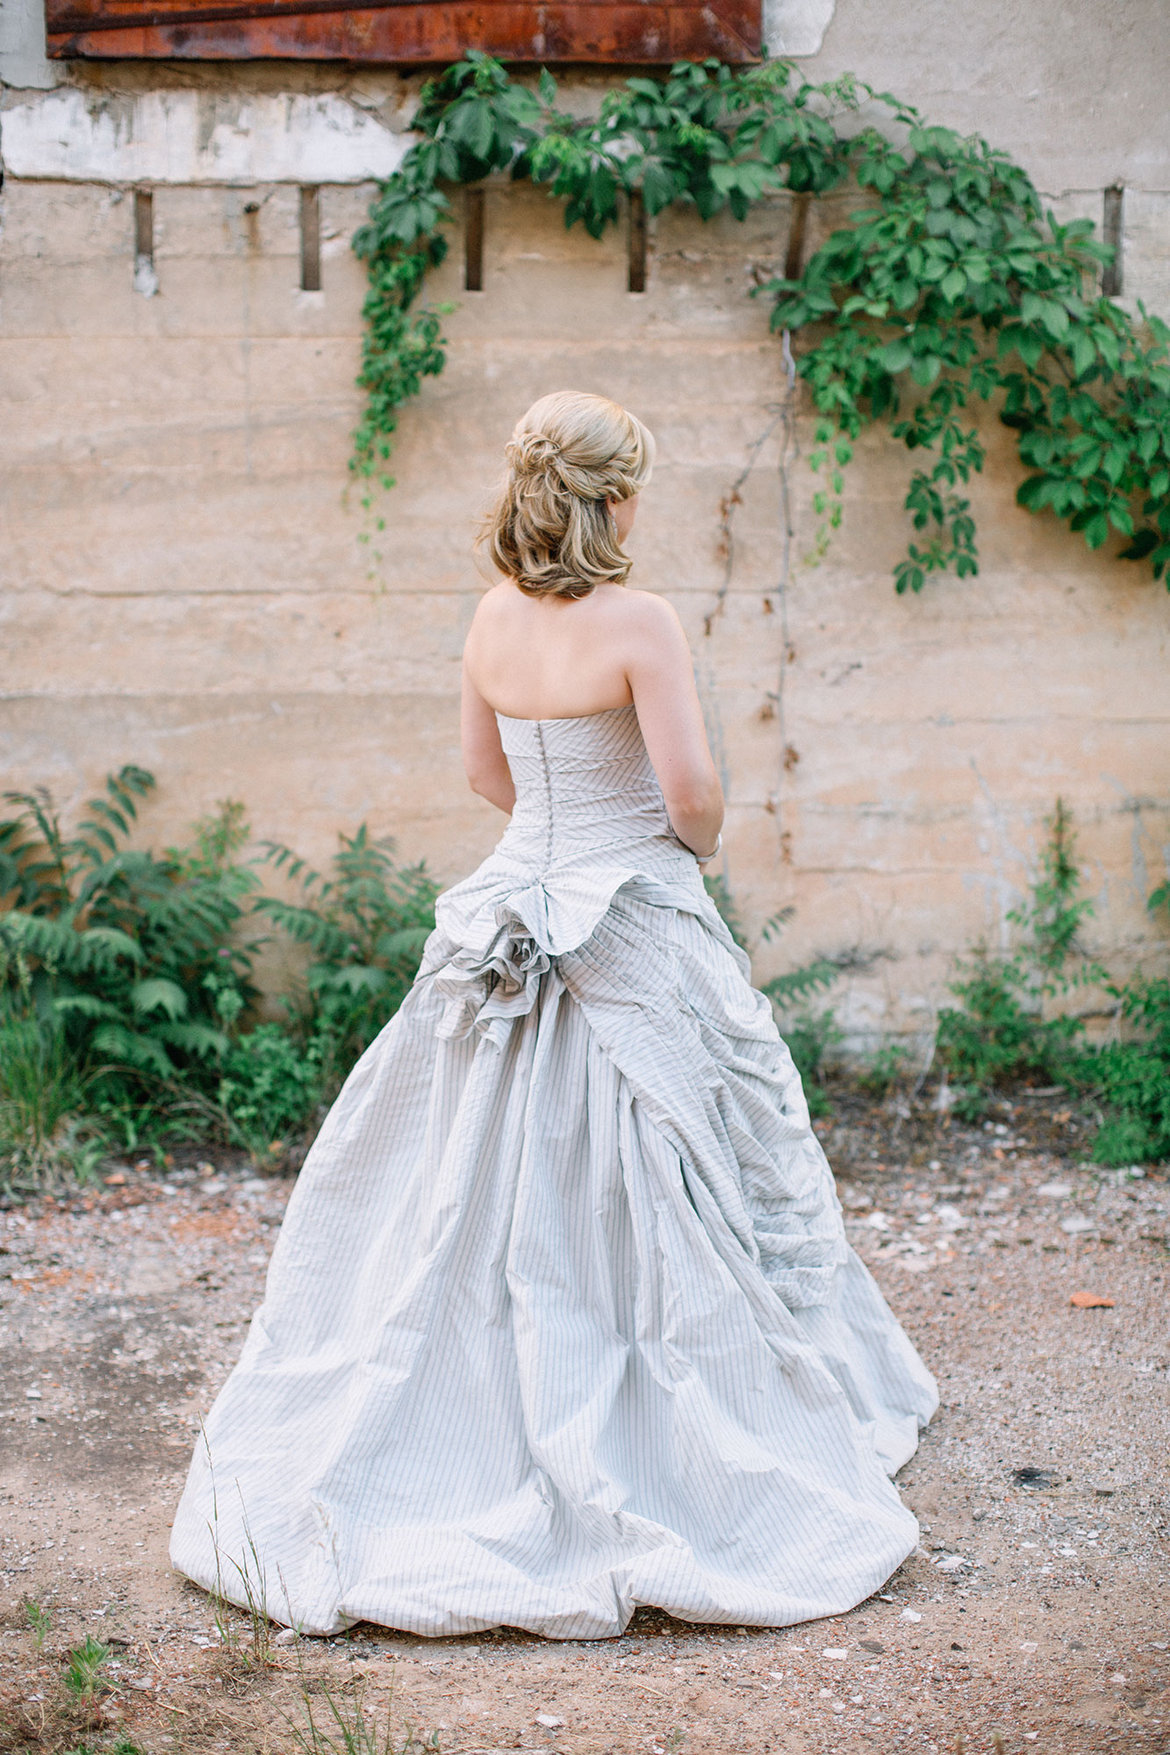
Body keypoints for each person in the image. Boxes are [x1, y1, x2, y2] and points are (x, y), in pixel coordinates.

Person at [170, 390, 937, 1640]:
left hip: (512, 900)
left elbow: (486, 774)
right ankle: (679, 1413)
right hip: (626, 901)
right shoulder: (641, 623)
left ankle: (468, 1413)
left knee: (464, 1173)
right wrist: (673, 845)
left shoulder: (488, 617)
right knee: (677, 1147)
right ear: (617, 496)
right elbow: (692, 795)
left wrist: (550, 830)